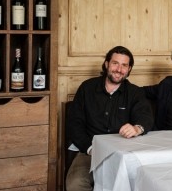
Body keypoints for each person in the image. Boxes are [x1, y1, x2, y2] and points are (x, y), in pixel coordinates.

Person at [66, 46, 154, 191]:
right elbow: (75, 124)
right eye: (115, 63)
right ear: (107, 64)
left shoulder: (135, 93)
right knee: (76, 184)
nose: (119, 69)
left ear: (129, 68)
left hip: (123, 153)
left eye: (124, 65)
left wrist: (137, 128)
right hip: (90, 151)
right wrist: (91, 148)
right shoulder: (87, 88)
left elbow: (146, 117)